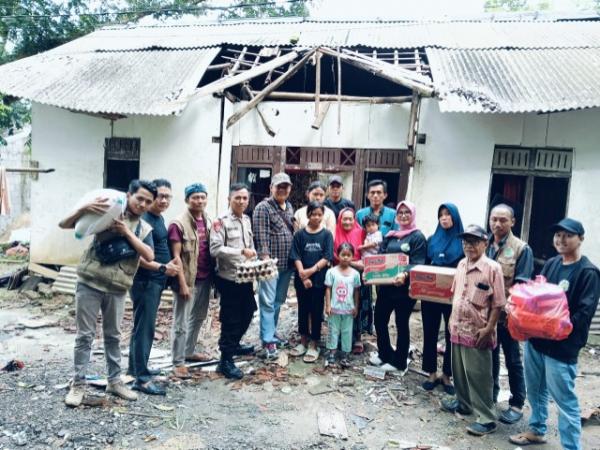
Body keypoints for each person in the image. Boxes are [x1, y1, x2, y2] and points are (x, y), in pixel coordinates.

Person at [61, 179, 156, 407]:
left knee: (113, 337)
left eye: (147, 202)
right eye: (139, 198)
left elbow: (149, 255)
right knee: (84, 336)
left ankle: (115, 381)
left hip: (117, 288)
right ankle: (78, 385)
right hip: (90, 283)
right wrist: (83, 209)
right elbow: (65, 225)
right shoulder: (108, 211)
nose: (142, 204)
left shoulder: (144, 229)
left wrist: (126, 232)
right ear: (129, 195)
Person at [509, 218, 600, 450]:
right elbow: (537, 299)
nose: (561, 239)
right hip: (537, 341)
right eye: (558, 235)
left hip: (561, 347)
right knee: (536, 389)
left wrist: (555, 327)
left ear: (581, 238)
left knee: (564, 399)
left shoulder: (588, 272)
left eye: (567, 235)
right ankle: (537, 430)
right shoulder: (551, 264)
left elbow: (583, 314)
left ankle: (571, 446)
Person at [441, 224, 506, 437]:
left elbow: (498, 303)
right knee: (459, 371)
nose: (468, 246)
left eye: (474, 242)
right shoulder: (460, 264)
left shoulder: (492, 268)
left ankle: (487, 418)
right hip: (457, 327)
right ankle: (464, 404)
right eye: (465, 242)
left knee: (478, 375)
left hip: (478, 331)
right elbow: (456, 294)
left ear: (485, 243)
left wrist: (489, 328)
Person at [128, 179, 180, 396]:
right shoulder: (144, 220)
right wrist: (162, 269)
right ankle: (141, 378)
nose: (164, 200)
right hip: (146, 280)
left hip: (155, 280)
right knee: (144, 328)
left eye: (168, 196)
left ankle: (137, 368)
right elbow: (137, 256)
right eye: (160, 196)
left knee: (142, 326)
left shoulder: (158, 218)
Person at [487, 204, 533, 424]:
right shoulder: (484, 244)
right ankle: (492, 394)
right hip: (486, 315)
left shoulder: (521, 249)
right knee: (490, 356)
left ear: (513, 222)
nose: (497, 224)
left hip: (508, 317)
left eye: (503, 220)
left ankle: (516, 403)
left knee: (513, 359)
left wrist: (508, 311)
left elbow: (521, 286)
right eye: (494, 219)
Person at [370, 201, 427, 373]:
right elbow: (380, 256)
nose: (403, 215)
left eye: (407, 212)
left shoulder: (417, 237)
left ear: (412, 215)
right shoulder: (391, 235)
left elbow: (418, 262)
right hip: (386, 287)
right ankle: (384, 353)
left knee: (401, 323)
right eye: (400, 212)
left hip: (405, 290)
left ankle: (399, 361)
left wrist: (405, 274)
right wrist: (373, 272)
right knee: (379, 320)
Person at [210, 183, 257, 379]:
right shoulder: (221, 222)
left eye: (245, 198)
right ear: (230, 199)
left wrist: (255, 258)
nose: (241, 201)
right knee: (230, 319)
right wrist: (240, 252)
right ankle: (225, 361)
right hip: (228, 278)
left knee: (248, 312)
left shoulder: (246, 219)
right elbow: (215, 249)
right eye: (237, 197)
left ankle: (234, 344)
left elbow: (250, 245)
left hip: (245, 277)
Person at [168, 183, 213, 379]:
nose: (199, 201)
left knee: (199, 317)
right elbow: (176, 257)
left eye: (202, 197)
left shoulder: (208, 220)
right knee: (181, 322)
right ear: (187, 200)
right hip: (187, 280)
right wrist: (183, 284)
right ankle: (178, 362)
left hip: (205, 278)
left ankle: (188, 351)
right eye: (195, 197)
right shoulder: (178, 224)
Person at [421, 203, 464, 395]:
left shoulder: (463, 243)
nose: (444, 218)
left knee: (452, 334)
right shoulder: (432, 239)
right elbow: (424, 266)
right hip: (431, 296)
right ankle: (431, 372)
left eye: (448, 215)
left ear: (455, 217)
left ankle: (447, 374)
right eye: (441, 215)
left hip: (453, 297)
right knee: (429, 331)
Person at [253, 172, 296, 359]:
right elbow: (261, 236)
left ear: (290, 189)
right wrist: (266, 259)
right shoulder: (263, 208)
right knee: (267, 302)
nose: (282, 189)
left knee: (278, 301)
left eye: (285, 186)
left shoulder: (289, 207)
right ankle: (267, 339)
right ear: (271, 187)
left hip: (287, 264)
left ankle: (271, 332)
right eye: (278, 186)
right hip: (270, 264)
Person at [289, 201, 334, 363]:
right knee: (303, 309)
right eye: (313, 214)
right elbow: (295, 255)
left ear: (323, 216)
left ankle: (314, 344)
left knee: (316, 311)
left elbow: (327, 256)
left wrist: (311, 271)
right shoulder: (300, 235)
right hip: (302, 279)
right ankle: (303, 341)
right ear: (308, 215)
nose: (316, 217)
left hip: (319, 279)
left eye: (319, 214)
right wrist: (303, 274)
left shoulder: (327, 235)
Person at [334, 208, 371, 353]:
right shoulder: (335, 233)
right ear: (340, 219)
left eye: (350, 219)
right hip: (341, 275)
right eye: (345, 218)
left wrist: (362, 264)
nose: (348, 222)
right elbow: (332, 254)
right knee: (342, 304)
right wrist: (351, 263)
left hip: (360, 275)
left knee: (359, 305)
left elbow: (369, 252)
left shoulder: (361, 232)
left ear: (354, 220)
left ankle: (357, 337)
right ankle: (340, 336)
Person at [325, 242, 361, 367]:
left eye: (348, 255)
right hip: (334, 309)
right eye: (343, 254)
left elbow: (356, 291)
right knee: (332, 330)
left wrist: (356, 306)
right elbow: (328, 289)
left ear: (352, 256)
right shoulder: (331, 272)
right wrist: (328, 305)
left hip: (348, 309)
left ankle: (345, 354)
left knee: (347, 331)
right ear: (337, 255)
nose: (345, 257)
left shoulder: (355, 274)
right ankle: (332, 352)